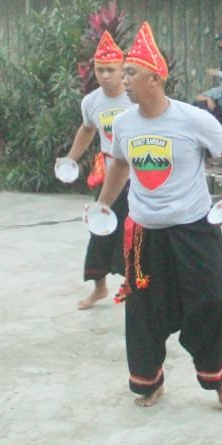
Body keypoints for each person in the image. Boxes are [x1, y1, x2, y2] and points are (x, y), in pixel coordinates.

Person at [96, 21, 222, 408]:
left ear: (156, 78)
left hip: (193, 230)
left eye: (132, 73)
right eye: (124, 72)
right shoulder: (125, 124)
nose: (124, 81)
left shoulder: (191, 119)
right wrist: (103, 203)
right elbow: (118, 165)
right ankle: (150, 382)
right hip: (146, 234)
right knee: (144, 311)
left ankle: (217, 380)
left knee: (213, 301)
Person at [62, 31, 133, 309]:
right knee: (100, 228)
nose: (105, 76)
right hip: (109, 173)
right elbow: (87, 130)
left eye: (111, 70)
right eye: (100, 70)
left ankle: (132, 283)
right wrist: (71, 158)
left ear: (122, 68)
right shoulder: (91, 102)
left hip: (138, 174)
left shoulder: (135, 97)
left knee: (132, 230)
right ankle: (99, 287)